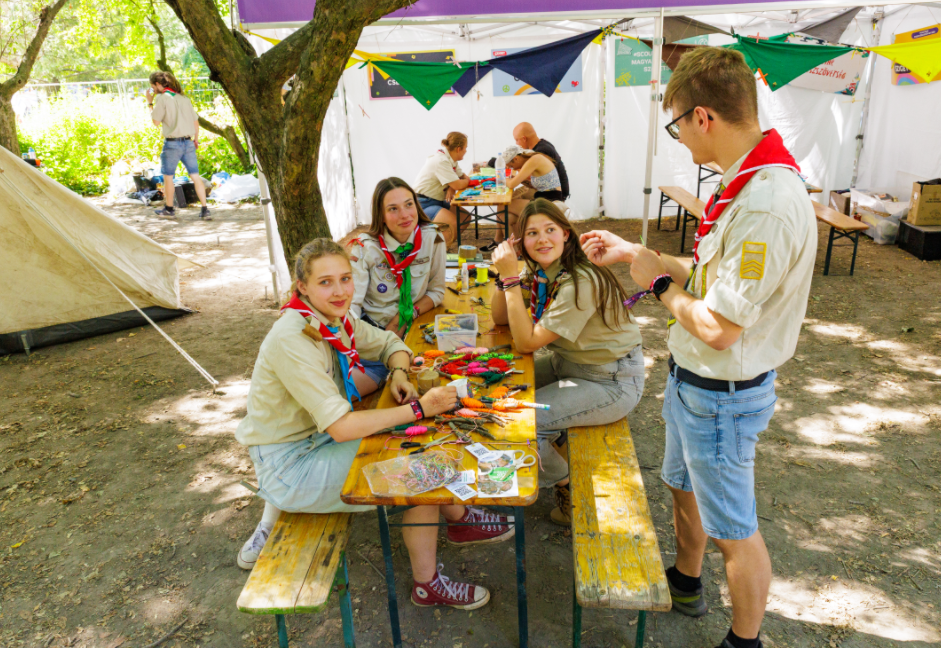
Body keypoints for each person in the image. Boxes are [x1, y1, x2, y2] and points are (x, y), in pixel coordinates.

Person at [580, 47, 816, 648]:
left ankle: (745, 641)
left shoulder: (765, 202)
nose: (680, 137)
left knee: (733, 528)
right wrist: (640, 256)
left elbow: (718, 325)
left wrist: (656, 284)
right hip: (695, 382)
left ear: (703, 117)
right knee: (681, 485)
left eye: (677, 124)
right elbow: (715, 278)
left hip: (722, 392)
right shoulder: (747, 182)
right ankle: (686, 579)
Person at [235, 238, 515, 610]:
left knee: (420, 444)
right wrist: (420, 409)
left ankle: (459, 519)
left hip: (315, 441)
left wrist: (399, 371)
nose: (339, 291)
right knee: (421, 468)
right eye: (325, 282)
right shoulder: (292, 337)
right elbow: (341, 426)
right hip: (291, 463)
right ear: (302, 286)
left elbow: (389, 342)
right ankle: (427, 585)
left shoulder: (331, 318)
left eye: (345, 279)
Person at [490, 198, 645, 526]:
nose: (542, 239)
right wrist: (504, 273)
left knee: (522, 424)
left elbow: (526, 341)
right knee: (499, 387)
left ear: (566, 234)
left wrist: (510, 280)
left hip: (609, 380)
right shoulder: (545, 270)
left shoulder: (580, 280)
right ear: (521, 242)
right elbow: (501, 317)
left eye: (550, 230)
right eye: (532, 233)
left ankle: (568, 486)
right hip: (570, 365)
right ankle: (559, 437)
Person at [348, 177, 447, 395]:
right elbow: (351, 307)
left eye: (409, 204)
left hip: (413, 330)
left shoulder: (433, 238)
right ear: (380, 215)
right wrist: (361, 344)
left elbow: (437, 291)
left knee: (435, 380)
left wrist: (404, 316)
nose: (404, 215)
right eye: (393, 209)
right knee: (347, 393)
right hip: (373, 335)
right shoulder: (365, 248)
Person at [145, 71, 211, 220]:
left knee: (168, 177)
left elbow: (155, 122)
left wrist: (149, 102)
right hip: (188, 142)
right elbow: (195, 121)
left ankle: (169, 209)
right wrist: (196, 139)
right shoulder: (184, 98)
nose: (153, 90)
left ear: (157, 84)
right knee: (195, 176)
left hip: (172, 144)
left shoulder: (162, 98)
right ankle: (205, 209)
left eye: (152, 86)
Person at [413, 132, 471, 246]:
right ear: (459, 149)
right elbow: (460, 183)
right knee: (452, 222)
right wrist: (457, 184)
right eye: (465, 148)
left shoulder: (451, 159)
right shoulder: (442, 161)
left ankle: (443, 248)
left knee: (465, 217)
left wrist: (452, 186)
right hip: (422, 204)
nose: (466, 151)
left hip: (436, 201)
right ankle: (438, 252)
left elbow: (461, 178)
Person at [498, 144, 564, 244]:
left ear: (516, 159)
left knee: (502, 205)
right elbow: (536, 185)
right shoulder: (533, 159)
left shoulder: (534, 160)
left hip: (549, 204)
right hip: (543, 200)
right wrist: (519, 180)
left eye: (510, 166)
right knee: (505, 218)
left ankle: (498, 241)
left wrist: (500, 176)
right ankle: (516, 251)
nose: (510, 168)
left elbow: (511, 184)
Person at [489, 122, 570, 200]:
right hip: (543, 190)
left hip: (554, 195)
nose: (516, 144)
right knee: (509, 201)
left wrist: (500, 177)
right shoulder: (541, 146)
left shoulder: (541, 152)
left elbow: (526, 179)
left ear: (524, 138)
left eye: (517, 140)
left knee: (508, 202)